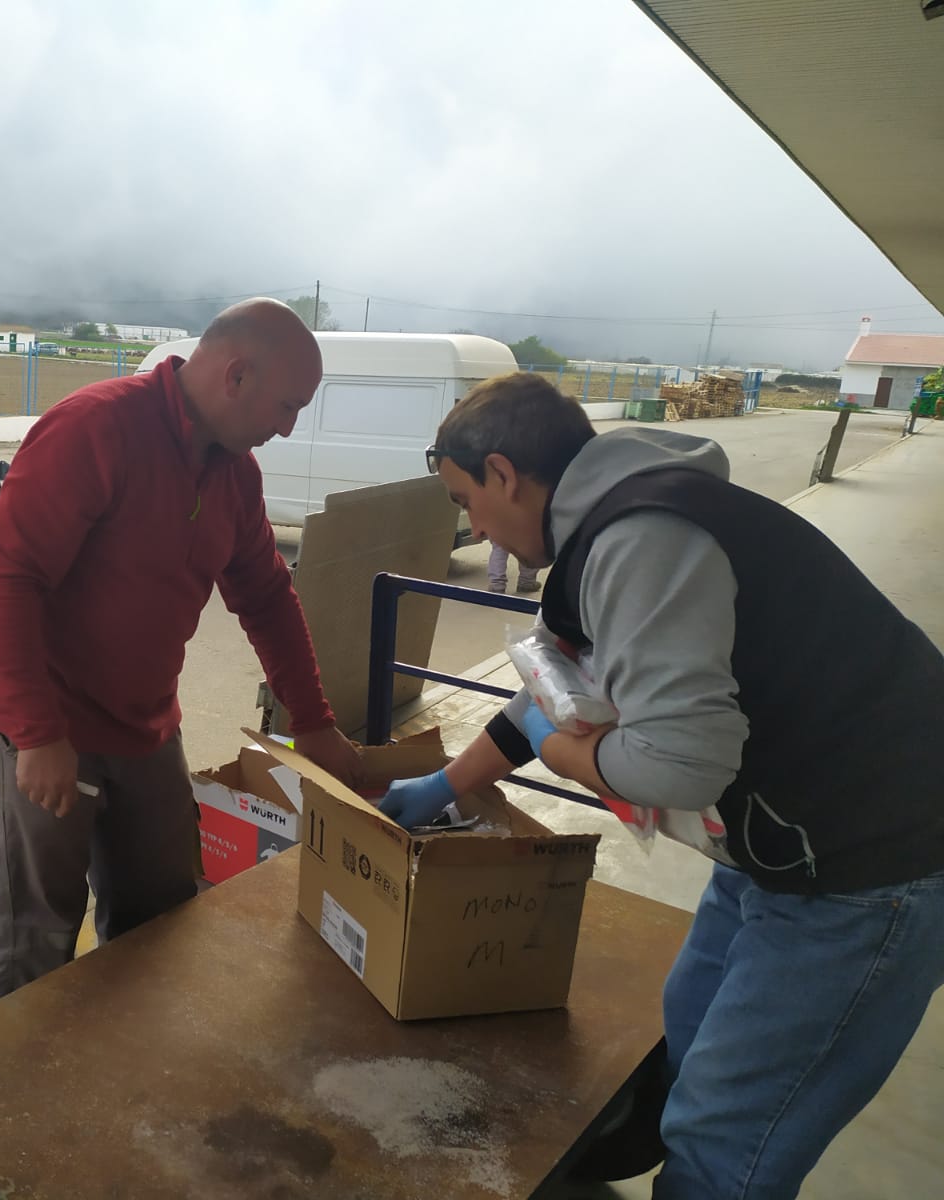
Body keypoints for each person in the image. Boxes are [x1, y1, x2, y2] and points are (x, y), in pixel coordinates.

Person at [380, 372, 944, 1198]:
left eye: (469, 502)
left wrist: (563, 754)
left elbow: (679, 765)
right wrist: (445, 782)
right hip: (779, 836)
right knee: (687, 1024)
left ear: (503, 473)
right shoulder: (609, 523)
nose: (477, 528)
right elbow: (555, 685)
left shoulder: (639, 540)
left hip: (870, 862)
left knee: (728, 1135)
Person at [0, 297, 362, 997]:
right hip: (49, 728)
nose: (288, 428)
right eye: (288, 406)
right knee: (39, 936)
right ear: (236, 376)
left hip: (145, 729)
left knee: (162, 919)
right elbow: (5, 582)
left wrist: (313, 722)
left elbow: (267, 598)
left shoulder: (234, 472)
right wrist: (37, 733)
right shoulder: (95, 429)